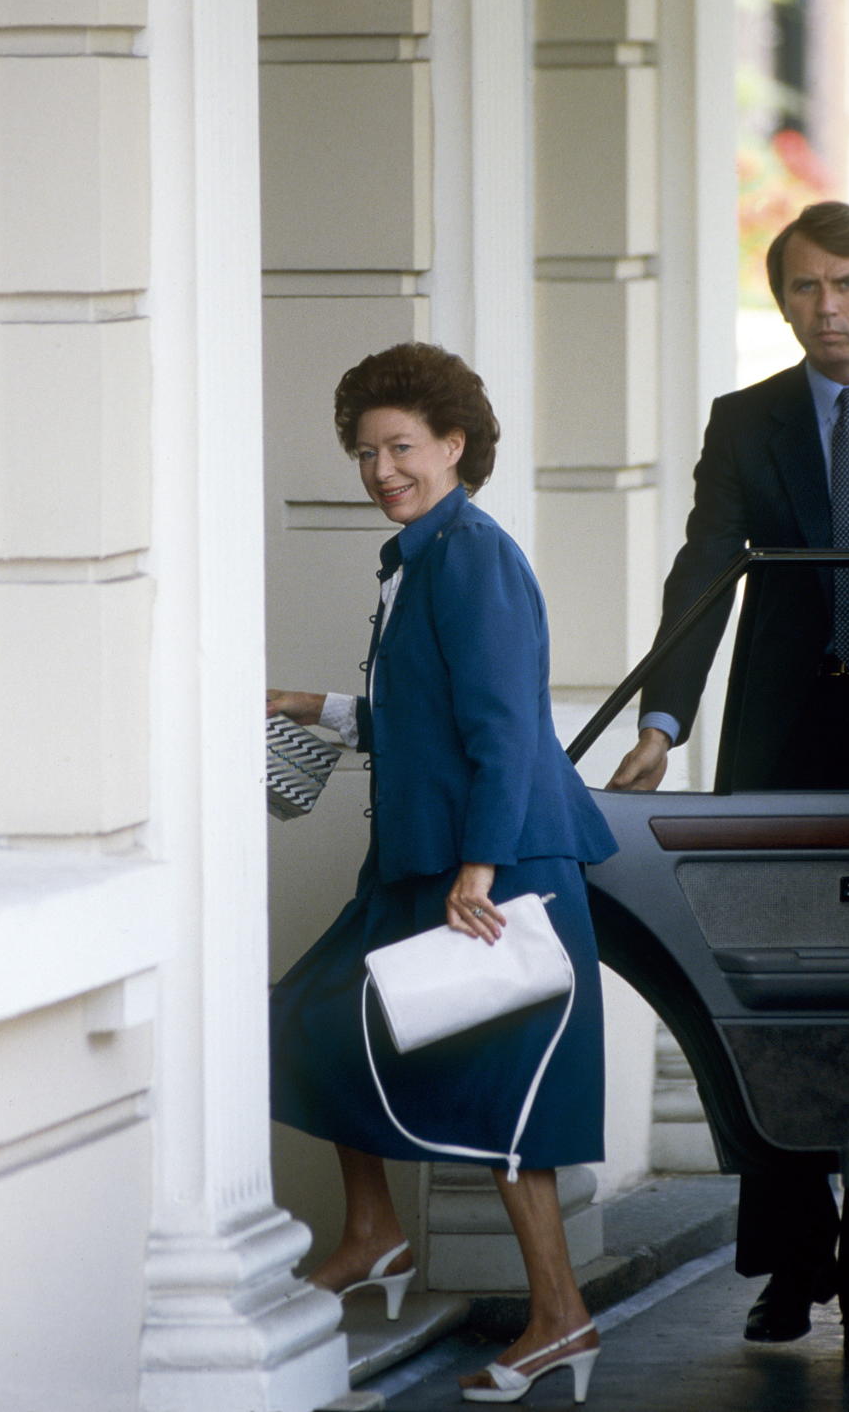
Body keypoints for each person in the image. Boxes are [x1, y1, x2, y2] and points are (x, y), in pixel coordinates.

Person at [609, 201, 849, 1359]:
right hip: (797, 732)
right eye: (806, 288)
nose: (829, 308)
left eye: (848, 284)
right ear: (785, 299)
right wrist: (662, 719)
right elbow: (705, 563)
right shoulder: (748, 422)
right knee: (778, 999)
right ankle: (794, 1268)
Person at [267, 341, 617, 1405]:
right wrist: (311, 707)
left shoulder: (470, 553)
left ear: (455, 444)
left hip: (499, 866)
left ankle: (560, 1318)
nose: (382, 470)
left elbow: (507, 727)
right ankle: (374, 1232)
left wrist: (481, 867)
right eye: (366, 451)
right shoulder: (420, 554)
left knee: (513, 1106)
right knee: (308, 1020)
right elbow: (424, 717)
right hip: (425, 863)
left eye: (402, 446)